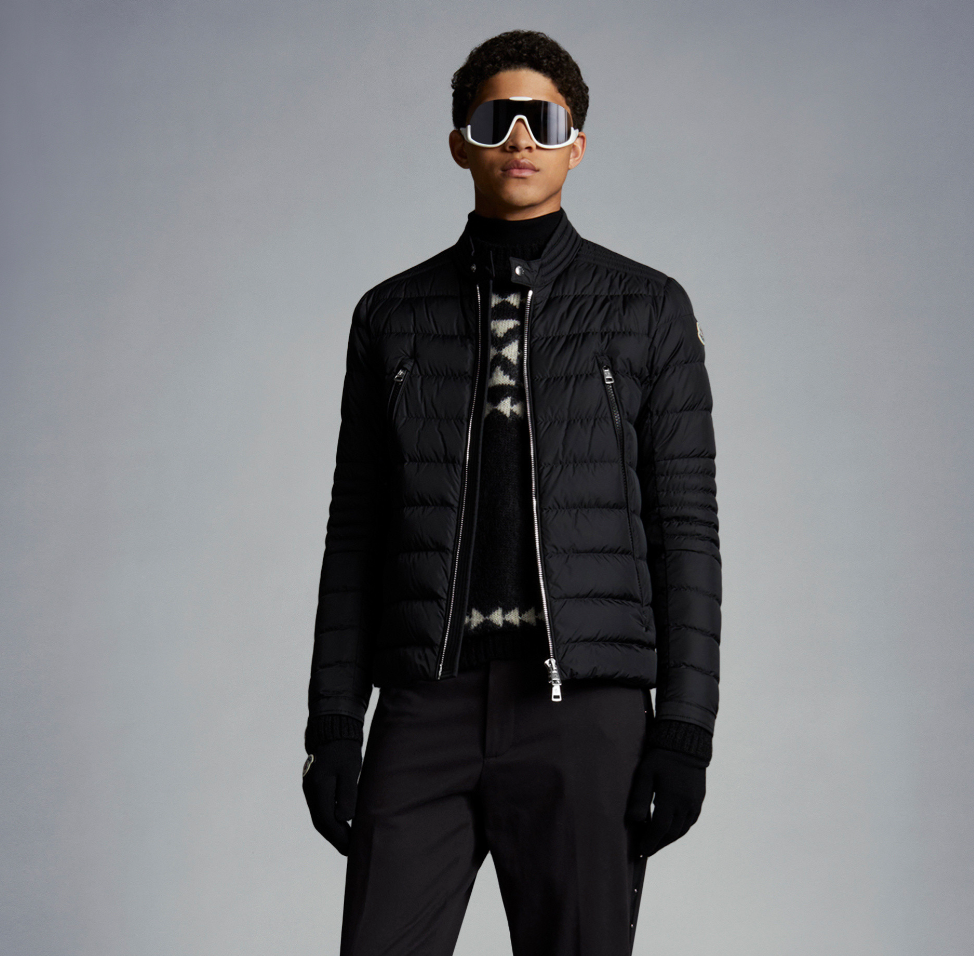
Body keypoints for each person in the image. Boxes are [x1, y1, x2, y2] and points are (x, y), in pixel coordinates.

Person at [302, 29, 721, 956]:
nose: (522, 138)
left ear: (578, 144)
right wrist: (333, 723)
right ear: (461, 143)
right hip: (426, 703)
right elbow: (356, 532)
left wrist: (686, 729)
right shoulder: (390, 315)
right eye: (498, 120)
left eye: (545, 120)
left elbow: (686, 527)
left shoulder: (648, 308)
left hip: (587, 714)